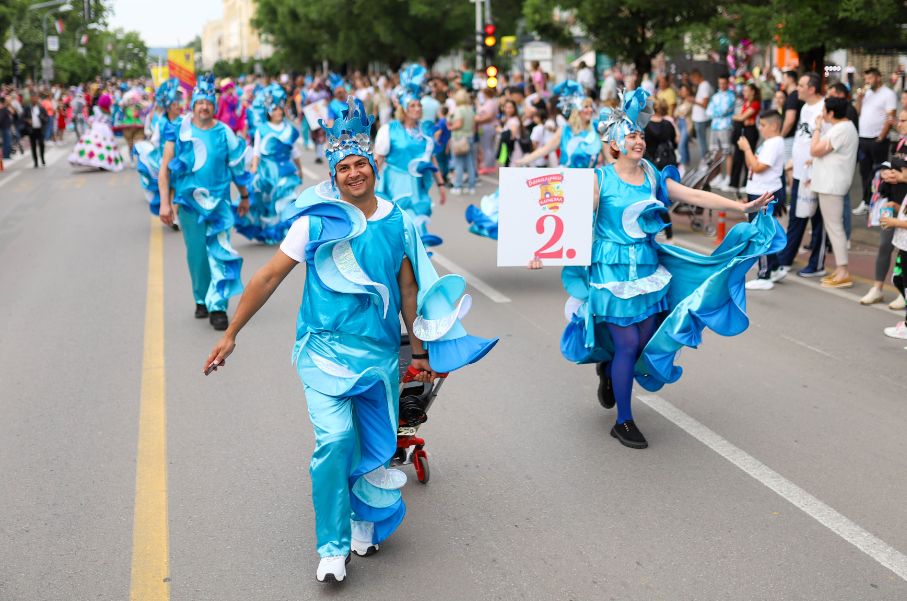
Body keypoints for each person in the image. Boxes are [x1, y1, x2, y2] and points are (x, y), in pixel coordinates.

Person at [203, 98, 497, 583]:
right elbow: (269, 277)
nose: (354, 173)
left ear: (373, 165)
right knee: (335, 440)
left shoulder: (398, 219)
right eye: (345, 167)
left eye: (361, 164)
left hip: (379, 354)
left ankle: (363, 518)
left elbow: (407, 287)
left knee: (375, 444)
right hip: (323, 351)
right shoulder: (316, 221)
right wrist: (232, 332)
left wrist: (419, 352)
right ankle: (332, 546)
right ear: (334, 174)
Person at [529, 88, 779, 449]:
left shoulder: (652, 176)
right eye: (631, 135)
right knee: (628, 342)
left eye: (641, 135)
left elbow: (692, 195)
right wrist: (540, 251)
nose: (639, 140)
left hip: (646, 268)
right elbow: (563, 218)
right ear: (614, 143)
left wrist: (742, 207)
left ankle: (611, 371)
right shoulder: (600, 180)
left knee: (642, 341)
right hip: (611, 272)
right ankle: (624, 420)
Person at [157, 74, 252, 331]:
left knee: (220, 252)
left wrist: (243, 196)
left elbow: (237, 168)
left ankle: (218, 306)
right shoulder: (178, 130)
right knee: (197, 255)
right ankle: (201, 297)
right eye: (199, 102)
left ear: (214, 104)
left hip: (220, 205)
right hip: (189, 205)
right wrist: (165, 203)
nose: (204, 107)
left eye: (208, 102)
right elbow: (165, 169)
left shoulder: (225, 133)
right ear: (193, 104)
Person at [466, 80, 601, 240]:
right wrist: (524, 160)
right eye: (585, 106)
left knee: (589, 227)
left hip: (591, 184)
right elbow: (545, 149)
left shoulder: (598, 130)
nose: (589, 110)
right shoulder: (565, 131)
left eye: (590, 106)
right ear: (577, 110)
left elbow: (609, 157)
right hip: (566, 183)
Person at [374, 65, 447, 247]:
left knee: (418, 221)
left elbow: (432, 158)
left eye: (419, 105)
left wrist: (441, 184)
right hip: (395, 182)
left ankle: (419, 263)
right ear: (404, 108)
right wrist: (366, 185)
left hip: (418, 185)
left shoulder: (425, 131)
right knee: (399, 225)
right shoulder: (389, 130)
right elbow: (378, 159)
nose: (417, 109)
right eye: (413, 105)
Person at [234, 83, 304, 245]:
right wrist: (253, 170)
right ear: (269, 112)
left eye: (280, 109)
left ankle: (287, 232)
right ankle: (270, 232)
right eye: (274, 109)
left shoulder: (289, 129)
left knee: (287, 200)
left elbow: (294, 152)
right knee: (267, 203)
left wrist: (299, 169)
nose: (278, 112)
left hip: (286, 171)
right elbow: (257, 152)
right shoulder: (262, 129)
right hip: (267, 172)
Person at [776, 72, 828, 280]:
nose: (797, 88)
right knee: (796, 216)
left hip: (816, 173)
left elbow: (826, 141)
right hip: (799, 171)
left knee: (817, 219)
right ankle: (786, 258)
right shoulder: (805, 107)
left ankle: (817, 263)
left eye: (801, 85)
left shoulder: (824, 108)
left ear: (812, 89)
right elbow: (802, 137)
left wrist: (813, 164)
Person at [808, 96, 859, 288]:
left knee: (835, 228)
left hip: (832, 185)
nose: (821, 115)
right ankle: (840, 270)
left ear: (831, 113)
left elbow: (815, 149)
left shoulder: (841, 129)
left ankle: (843, 271)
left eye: (824, 111)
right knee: (833, 227)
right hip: (831, 184)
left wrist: (818, 128)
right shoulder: (845, 128)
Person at [862, 109, 907, 308]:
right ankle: (877, 287)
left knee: (904, 252)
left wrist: (902, 177)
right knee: (884, 245)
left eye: (905, 120)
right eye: (900, 120)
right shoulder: (899, 142)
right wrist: (888, 173)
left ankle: (902, 292)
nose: (900, 124)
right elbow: (894, 164)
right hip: (894, 201)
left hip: (904, 206)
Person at [739, 110, 787, 290]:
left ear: (774, 126)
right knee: (763, 231)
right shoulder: (769, 142)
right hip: (759, 191)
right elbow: (751, 164)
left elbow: (758, 167)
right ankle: (775, 268)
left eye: (763, 125)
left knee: (761, 233)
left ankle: (764, 274)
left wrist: (747, 148)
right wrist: (747, 151)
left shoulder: (774, 143)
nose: (760, 128)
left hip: (764, 193)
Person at [135, 78, 184, 218]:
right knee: (170, 185)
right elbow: (155, 140)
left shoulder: (183, 120)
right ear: (168, 107)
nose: (177, 106)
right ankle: (172, 212)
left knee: (177, 185)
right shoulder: (162, 122)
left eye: (178, 104)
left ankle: (176, 212)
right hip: (165, 157)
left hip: (179, 156)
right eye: (174, 104)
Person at [853, 68, 897, 215]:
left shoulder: (888, 94)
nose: (867, 81)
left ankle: (879, 202)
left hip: (878, 140)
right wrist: (859, 98)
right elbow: (857, 112)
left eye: (870, 78)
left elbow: (890, 117)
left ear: (878, 77)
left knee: (879, 172)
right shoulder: (867, 94)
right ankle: (866, 201)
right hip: (863, 138)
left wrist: (881, 137)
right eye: (866, 78)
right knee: (864, 172)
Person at [68, 92, 124, 172]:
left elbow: (92, 118)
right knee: (105, 146)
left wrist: (90, 124)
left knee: (94, 145)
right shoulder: (109, 111)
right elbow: (110, 121)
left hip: (96, 127)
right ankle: (104, 162)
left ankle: (96, 161)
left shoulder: (96, 109)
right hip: (106, 129)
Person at [728, 83, 761, 193]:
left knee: (748, 157)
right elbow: (740, 118)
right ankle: (734, 183)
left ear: (753, 91)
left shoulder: (755, 104)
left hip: (751, 132)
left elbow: (742, 117)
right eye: (744, 90)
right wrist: (738, 117)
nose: (744, 92)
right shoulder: (746, 103)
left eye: (747, 90)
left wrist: (736, 117)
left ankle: (745, 184)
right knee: (737, 157)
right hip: (742, 131)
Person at [707, 74, 736, 190]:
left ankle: (728, 177)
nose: (722, 85)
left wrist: (715, 111)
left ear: (728, 83)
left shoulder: (731, 96)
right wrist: (715, 112)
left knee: (727, 152)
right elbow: (708, 111)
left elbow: (723, 111)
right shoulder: (715, 96)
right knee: (716, 152)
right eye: (720, 83)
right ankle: (718, 176)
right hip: (715, 126)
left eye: (724, 83)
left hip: (725, 126)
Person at [448, 90, 476, 194]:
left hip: (460, 138)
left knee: (458, 163)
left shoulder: (459, 110)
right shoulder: (470, 110)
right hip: (470, 136)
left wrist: (451, 127)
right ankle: (471, 186)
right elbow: (474, 125)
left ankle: (458, 185)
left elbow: (459, 124)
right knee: (470, 163)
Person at [690, 69, 712, 161]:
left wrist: (693, 101)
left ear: (696, 76)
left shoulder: (704, 85)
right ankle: (705, 158)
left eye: (693, 79)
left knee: (702, 141)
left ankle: (705, 159)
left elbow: (705, 104)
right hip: (698, 118)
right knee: (701, 140)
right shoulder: (702, 85)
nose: (693, 81)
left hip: (701, 118)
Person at [23, 95, 48, 168]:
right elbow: (22, 117)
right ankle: (35, 161)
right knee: (33, 146)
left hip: (40, 129)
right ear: (31, 100)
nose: (34, 100)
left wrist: (41, 117)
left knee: (41, 144)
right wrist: (27, 120)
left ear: (37, 99)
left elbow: (46, 118)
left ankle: (42, 159)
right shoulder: (27, 108)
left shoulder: (41, 108)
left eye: (35, 99)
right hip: (32, 130)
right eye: (33, 99)